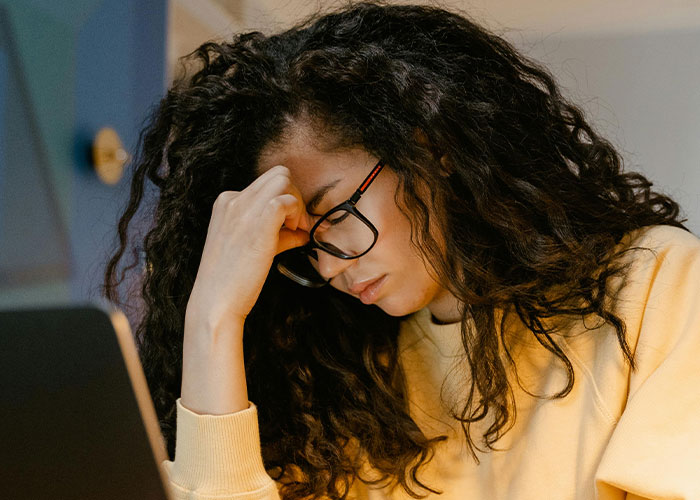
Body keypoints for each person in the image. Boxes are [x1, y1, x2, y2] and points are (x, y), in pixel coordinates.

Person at [102, 1, 700, 499]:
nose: (332, 265)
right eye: (305, 247)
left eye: (336, 213)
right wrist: (212, 317)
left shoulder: (656, 284)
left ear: (428, 149)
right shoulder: (348, 373)